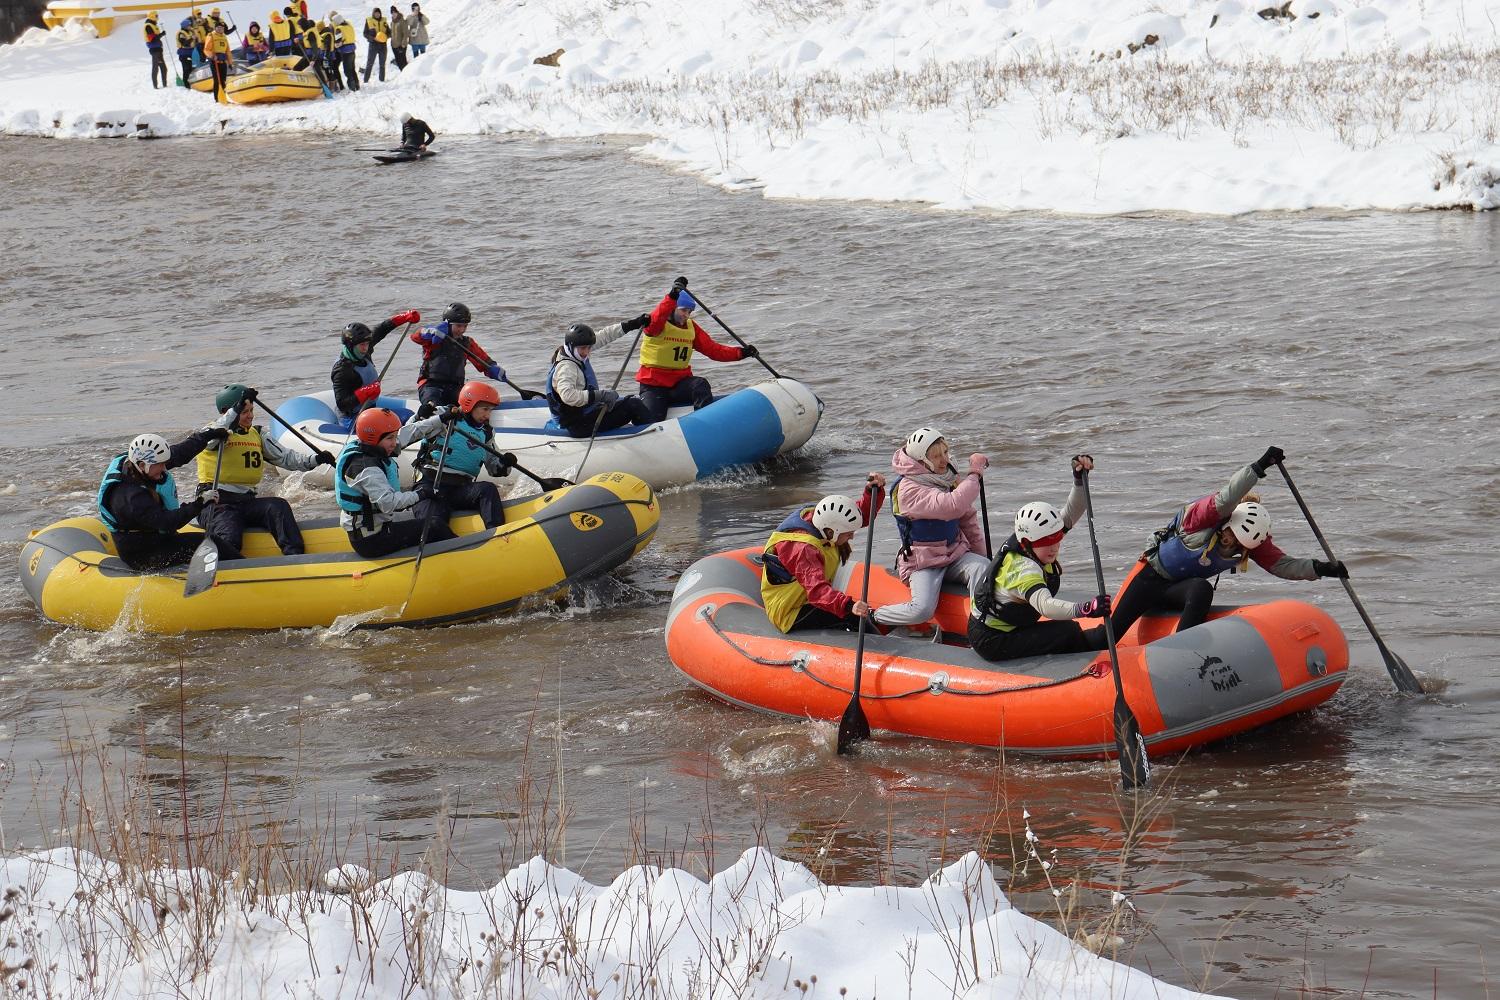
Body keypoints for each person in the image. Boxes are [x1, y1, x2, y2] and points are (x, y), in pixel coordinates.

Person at [1106, 446, 1348, 640]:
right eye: (1233, 537)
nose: (1234, 545)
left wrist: (1322, 569)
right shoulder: (1202, 518)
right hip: (1149, 579)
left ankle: (1184, 647)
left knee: (1201, 588)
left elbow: (1281, 565)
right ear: (1227, 526)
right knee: (1106, 637)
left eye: (1241, 546)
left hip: (1177, 592)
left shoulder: (1249, 542)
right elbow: (1228, 494)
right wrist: (1260, 465)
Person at [967, 456, 1110, 662]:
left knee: (1067, 629)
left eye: (1057, 539)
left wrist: (1079, 479)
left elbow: (1071, 513)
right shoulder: (1023, 569)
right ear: (1026, 543)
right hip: (992, 639)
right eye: (1046, 543)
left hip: (1012, 625)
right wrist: (1086, 609)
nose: (1054, 547)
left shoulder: (1035, 538)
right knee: (1067, 630)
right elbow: (1045, 606)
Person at [871, 428, 991, 636]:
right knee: (922, 610)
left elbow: (967, 518)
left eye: (945, 452)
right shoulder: (908, 490)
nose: (944, 460)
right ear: (921, 461)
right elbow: (952, 505)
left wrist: (983, 555)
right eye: (936, 456)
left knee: (983, 567)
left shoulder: (947, 478)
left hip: (954, 553)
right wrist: (975, 473)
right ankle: (874, 617)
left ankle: (980, 627)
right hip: (923, 562)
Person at [197, 385, 334, 560]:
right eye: (244, 411)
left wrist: (315, 460)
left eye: (251, 410)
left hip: (246, 502)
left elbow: (286, 458)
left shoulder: (257, 434)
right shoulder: (211, 433)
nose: (251, 415)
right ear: (226, 412)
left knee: (278, 506)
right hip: (216, 504)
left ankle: (295, 557)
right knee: (230, 537)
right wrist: (234, 411)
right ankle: (224, 565)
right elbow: (212, 436)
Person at [760, 478, 886, 632]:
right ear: (832, 531)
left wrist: (872, 491)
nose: (852, 537)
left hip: (807, 598)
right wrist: (848, 606)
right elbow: (817, 591)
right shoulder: (803, 549)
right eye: (848, 534)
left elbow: (858, 516)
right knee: (854, 619)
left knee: (853, 616)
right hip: (791, 611)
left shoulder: (822, 520)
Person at [96, 427, 229, 571]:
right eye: (160, 465)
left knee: (209, 542)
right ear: (142, 465)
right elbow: (168, 522)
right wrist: (200, 503)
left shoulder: (139, 464)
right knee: (212, 543)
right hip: (143, 555)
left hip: (154, 537)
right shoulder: (131, 498)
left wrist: (207, 435)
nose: (164, 468)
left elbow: (180, 453)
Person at [335, 407, 455, 558]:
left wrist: (441, 419)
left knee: (433, 523)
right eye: (390, 438)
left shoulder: (373, 445)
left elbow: (412, 433)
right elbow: (389, 503)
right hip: (371, 541)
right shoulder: (365, 468)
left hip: (378, 528)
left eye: (394, 436)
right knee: (436, 526)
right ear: (374, 438)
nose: (395, 442)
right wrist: (421, 493)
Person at [635, 276, 756, 421]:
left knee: (700, 384)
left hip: (679, 384)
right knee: (650, 419)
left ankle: (705, 423)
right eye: (683, 310)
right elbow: (658, 316)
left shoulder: (691, 327)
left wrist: (741, 353)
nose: (686, 315)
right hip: (653, 385)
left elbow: (713, 350)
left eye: (689, 312)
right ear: (673, 307)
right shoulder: (655, 325)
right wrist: (673, 295)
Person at [411, 383, 514, 528]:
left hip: (460, 490)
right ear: (469, 404)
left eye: (490, 410)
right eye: (485, 409)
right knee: (434, 526)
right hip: (430, 486)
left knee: (487, 489)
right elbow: (408, 431)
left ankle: (498, 534)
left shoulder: (486, 433)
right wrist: (419, 415)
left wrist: (505, 464)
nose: (487, 415)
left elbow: (494, 469)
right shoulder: (443, 415)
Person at [545, 317, 654, 437]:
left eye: (589, 348)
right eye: (583, 348)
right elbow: (568, 395)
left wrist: (633, 324)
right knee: (634, 405)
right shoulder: (566, 367)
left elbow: (605, 335)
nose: (586, 352)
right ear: (571, 346)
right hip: (577, 425)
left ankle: (643, 434)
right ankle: (654, 437)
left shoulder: (572, 351)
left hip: (585, 412)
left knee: (626, 401)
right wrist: (601, 395)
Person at [330, 310, 421, 419]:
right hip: (353, 417)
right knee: (404, 418)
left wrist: (403, 317)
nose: (365, 348)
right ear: (350, 345)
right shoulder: (342, 370)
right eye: (362, 345)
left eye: (367, 344)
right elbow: (342, 404)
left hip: (370, 409)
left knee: (408, 414)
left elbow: (381, 329)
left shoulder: (363, 351)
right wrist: (364, 392)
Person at [410, 303, 502, 407]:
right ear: (447, 324)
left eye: (465, 326)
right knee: (432, 405)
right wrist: (429, 332)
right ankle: (428, 414)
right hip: (431, 386)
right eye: (458, 326)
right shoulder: (434, 338)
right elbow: (415, 336)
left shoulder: (467, 343)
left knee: (473, 405)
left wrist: (493, 367)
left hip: (455, 388)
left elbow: (484, 361)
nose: (462, 330)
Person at [330, 12, 360, 90]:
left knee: (347, 70)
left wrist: (339, 44)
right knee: (352, 69)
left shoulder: (338, 29)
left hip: (345, 52)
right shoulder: (349, 26)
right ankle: (357, 85)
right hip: (352, 50)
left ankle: (352, 87)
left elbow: (337, 43)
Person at [204, 22, 233, 102]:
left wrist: (230, 62)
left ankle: (223, 96)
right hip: (214, 61)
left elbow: (228, 51)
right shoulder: (211, 35)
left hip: (223, 60)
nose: (220, 29)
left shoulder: (224, 37)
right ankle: (217, 98)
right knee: (217, 80)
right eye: (218, 27)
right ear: (215, 28)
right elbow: (206, 49)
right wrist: (212, 56)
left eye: (221, 28)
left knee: (223, 80)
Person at [362, 6, 388, 82]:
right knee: (369, 63)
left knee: (382, 64)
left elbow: (389, 32)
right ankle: (366, 81)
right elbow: (365, 33)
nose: (377, 14)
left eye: (378, 13)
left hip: (383, 45)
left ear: (380, 13)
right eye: (376, 13)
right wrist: (373, 38)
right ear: (373, 14)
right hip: (373, 45)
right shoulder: (369, 21)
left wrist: (386, 36)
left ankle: (382, 80)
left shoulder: (384, 21)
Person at [144, 11, 169, 89]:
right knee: (156, 67)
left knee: (163, 68)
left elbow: (155, 37)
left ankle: (164, 85)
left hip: (158, 49)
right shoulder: (148, 26)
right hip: (154, 49)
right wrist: (161, 34)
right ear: (152, 16)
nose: (157, 17)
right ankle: (156, 86)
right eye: (156, 16)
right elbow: (152, 38)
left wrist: (161, 34)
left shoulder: (153, 25)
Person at [174, 18, 195, 84]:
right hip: (184, 54)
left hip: (190, 53)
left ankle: (192, 82)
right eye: (189, 25)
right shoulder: (181, 34)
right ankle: (186, 83)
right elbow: (184, 43)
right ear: (185, 26)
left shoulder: (189, 32)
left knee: (192, 68)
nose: (190, 27)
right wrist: (192, 38)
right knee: (186, 69)